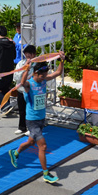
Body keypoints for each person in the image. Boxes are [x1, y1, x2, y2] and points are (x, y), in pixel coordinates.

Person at [8, 53, 65, 184]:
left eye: (45, 76)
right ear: (35, 73)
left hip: (41, 119)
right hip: (32, 121)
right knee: (43, 146)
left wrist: (61, 60)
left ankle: (15, 153)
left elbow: (57, 72)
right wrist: (27, 69)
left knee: (30, 143)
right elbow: (22, 83)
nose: (44, 78)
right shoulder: (29, 85)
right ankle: (46, 173)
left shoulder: (43, 80)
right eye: (42, 76)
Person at [12, 45, 37, 135]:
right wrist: (24, 69)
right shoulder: (20, 63)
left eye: (30, 54)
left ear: (34, 54)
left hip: (31, 90)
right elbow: (16, 76)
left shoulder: (36, 65)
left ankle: (31, 128)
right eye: (26, 54)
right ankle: (22, 127)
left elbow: (34, 78)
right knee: (22, 109)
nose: (28, 56)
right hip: (20, 89)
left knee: (30, 110)